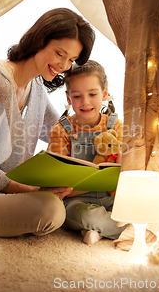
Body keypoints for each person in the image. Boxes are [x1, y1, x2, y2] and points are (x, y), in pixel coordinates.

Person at [0, 8, 95, 237]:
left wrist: (105, 132)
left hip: (8, 192)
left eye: (71, 59)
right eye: (59, 53)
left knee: (69, 194)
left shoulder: (36, 87)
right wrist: (31, 189)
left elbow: (61, 131)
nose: (64, 66)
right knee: (51, 211)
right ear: (39, 40)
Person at [48, 60, 127, 245]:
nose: (85, 102)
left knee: (136, 207)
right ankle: (115, 229)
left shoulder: (116, 126)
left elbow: (124, 169)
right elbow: (60, 182)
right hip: (77, 201)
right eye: (77, 96)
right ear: (68, 98)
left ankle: (96, 231)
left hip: (110, 197)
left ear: (104, 93)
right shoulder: (61, 130)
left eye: (92, 94)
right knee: (82, 214)